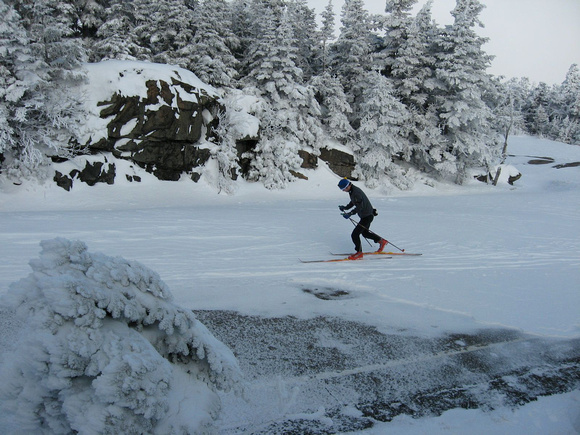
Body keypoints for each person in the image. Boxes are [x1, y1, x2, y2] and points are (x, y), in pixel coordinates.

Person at [338, 178, 387, 260]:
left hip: (367, 216)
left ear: (349, 185)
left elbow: (360, 206)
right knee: (365, 233)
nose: (344, 190)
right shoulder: (352, 191)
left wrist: (351, 213)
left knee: (355, 234)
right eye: (342, 189)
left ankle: (359, 253)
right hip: (366, 215)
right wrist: (346, 207)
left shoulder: (356, 192)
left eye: (344, 188)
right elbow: (354, 202)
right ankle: (381, 241)